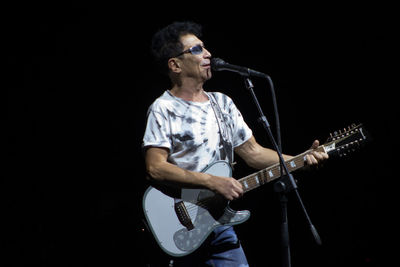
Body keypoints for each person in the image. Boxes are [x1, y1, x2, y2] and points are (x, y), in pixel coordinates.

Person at [142, 21, 328, 267]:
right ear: (175, 64)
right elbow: (155, 168)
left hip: (219, 225)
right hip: (179, 224)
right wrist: (212, 181)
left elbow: (253, 153)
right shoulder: (163, 108)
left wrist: (301, 160)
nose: (208, 53)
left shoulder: (223, 103)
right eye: (196, 50)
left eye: (205, 47)